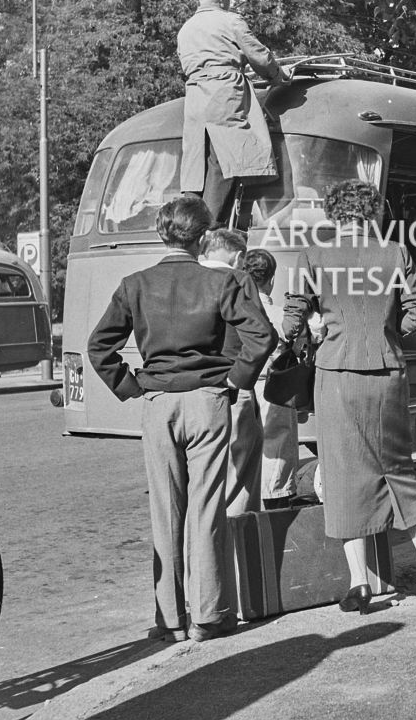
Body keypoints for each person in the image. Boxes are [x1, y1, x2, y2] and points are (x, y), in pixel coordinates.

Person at [87, 197, 276, 643]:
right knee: (208, 505)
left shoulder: (135, 284)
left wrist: (131, 386)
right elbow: (260, 335)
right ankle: (209, 616)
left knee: (166, 510)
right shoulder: (225, 281)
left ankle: (169, 619)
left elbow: (99, 348)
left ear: (162, 233)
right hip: (209, 400)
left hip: (157, 402)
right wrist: (235, 379)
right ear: (205, 235)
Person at [281, 180, 416, 612]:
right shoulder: (394, 251)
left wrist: (305, 334)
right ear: (371, 212)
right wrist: (387, 332)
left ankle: (359, 583)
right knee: (398, 469)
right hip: (387, 371)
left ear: (334, 215)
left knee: (343, 473)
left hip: (336, 372)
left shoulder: (313, 255)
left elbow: (293, 316)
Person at [178, 0, 286, 225]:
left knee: (196, 165)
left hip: (194, 96)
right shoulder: (230, 21)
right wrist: (277, 76)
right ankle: (209, 227)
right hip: (224, 91)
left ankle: (186, 224)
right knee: (227, 159)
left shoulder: (186, 29)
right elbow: (259, 56)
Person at [199, 229, 266, 518]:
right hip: (231, 384)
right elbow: (260, 335)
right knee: (240, 476)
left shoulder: (185, 275)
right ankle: (238, 558)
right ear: (238, 256)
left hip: (190, 389)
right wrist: (238, 380)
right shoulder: (240, 279)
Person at [242, 248, 300, 508]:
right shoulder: (279, 315)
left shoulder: (235, 312)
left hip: (242, 383)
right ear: (272, 279)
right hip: (273, 386)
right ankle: (274, 498)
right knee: (277, 441)